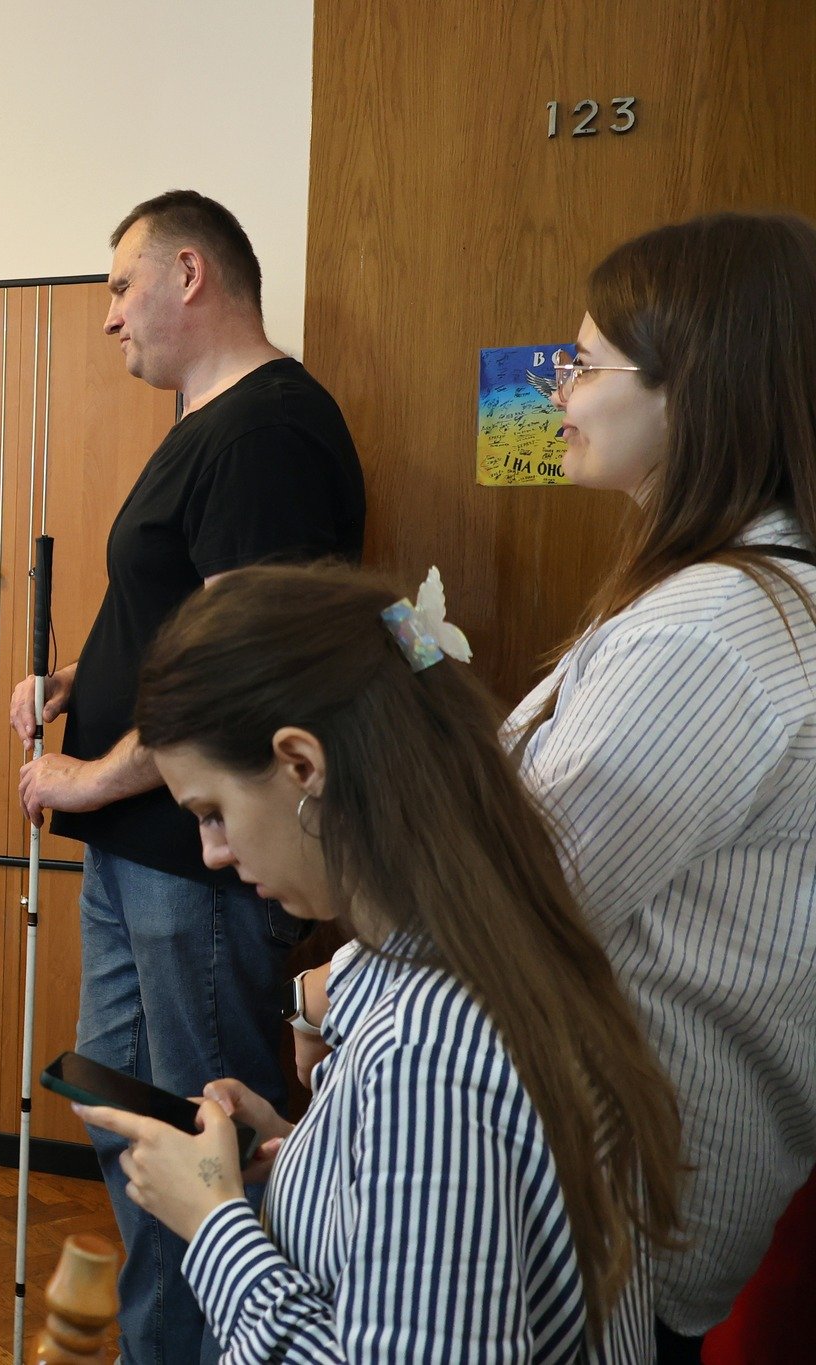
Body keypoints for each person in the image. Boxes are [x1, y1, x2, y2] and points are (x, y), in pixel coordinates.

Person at [80, 562, 682, 1362]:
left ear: (302, 764)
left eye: (214, 811)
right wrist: (302, 1155)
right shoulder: (490, 950)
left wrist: (215, 1223)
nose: (212, 852)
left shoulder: (425, 1054)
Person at [7, 190, 365, 1362]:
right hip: (140, 856)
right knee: (133, 1135)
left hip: (196, 862)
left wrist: (85, 778)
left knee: (202, 1155)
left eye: (120, 286)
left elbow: (235, 675)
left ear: (189, 273)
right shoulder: (205, 425)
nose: (109, 316)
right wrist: (80, 678)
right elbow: (174, 616)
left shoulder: (266, 434)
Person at [505, 211, 816, 1360]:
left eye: (582, 364)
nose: (555, 393)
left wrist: (324, 992)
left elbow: (518, 901)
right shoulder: (716, 597)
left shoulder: (708, 632)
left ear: (691, 391)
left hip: (609, 1220)